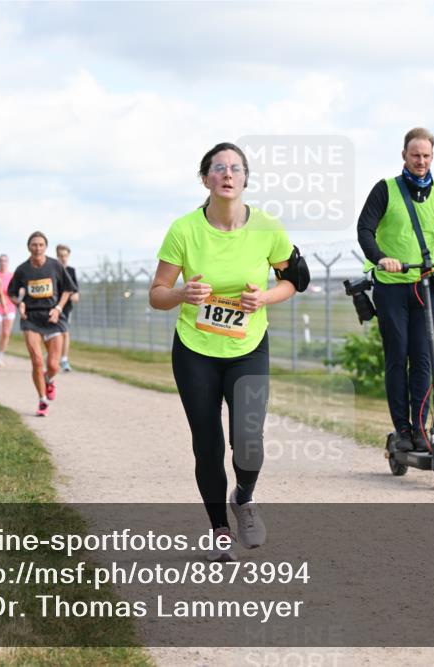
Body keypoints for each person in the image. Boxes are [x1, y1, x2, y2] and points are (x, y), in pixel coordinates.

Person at [149, 142, 307, 562]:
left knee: (249, 442)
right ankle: (219, 528)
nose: (227, 173)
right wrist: (182, 292)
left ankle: (245, 498)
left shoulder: (269, 228)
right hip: (195, 350)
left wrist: (265, 299)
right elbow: (157, 294)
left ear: (244, 180)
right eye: (219, 167)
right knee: (208, 444)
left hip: (248, 346)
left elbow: (293, 282)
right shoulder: (184, 229)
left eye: (235, 168)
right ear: (206, 179)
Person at [357, 127, 434, 453]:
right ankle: (402, 429)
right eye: (415, 155)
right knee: (398, 355)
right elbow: (364, 229)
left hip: (424, 284)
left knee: (423, 357)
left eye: (426, 156)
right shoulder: (385, 190)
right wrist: (381, 258)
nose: (420, 161)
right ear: (404, 156)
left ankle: (421, 428)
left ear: (432, 156)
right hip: (392, 286)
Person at [7, 232, 77, 416]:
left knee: (53, 365)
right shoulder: (22, 269)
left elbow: (68, 290)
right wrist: (19, 304)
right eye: (34, 244)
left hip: (53, 318)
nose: (37, 248)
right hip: (31, 318)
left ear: (45, 247)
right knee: (37, 361)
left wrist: (59, 309)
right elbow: (12, 293)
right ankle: (42, 400)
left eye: (40, 244)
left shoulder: (55, 265)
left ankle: (49, 380)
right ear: (28, 247)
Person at [55, 244, 80, 372]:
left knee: (65, 333)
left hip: (66, 309)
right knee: (55, 335)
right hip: (53, 307)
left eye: (65, 255)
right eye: (60, 256)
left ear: (68, 256)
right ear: (57, 256)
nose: (63, 258)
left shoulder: (71, 271)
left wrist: (74, 294)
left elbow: (75, 291)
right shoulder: (53, 270)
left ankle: (64, 359)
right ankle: (54, 355)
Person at [0, 254, 16, 367]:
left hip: (10, 307)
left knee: (6, 333)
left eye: (5, 261)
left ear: (8, 263)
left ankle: (0, 356)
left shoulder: (12, 276)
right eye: (1, 261)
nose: (3, 263)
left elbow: (16, 292)